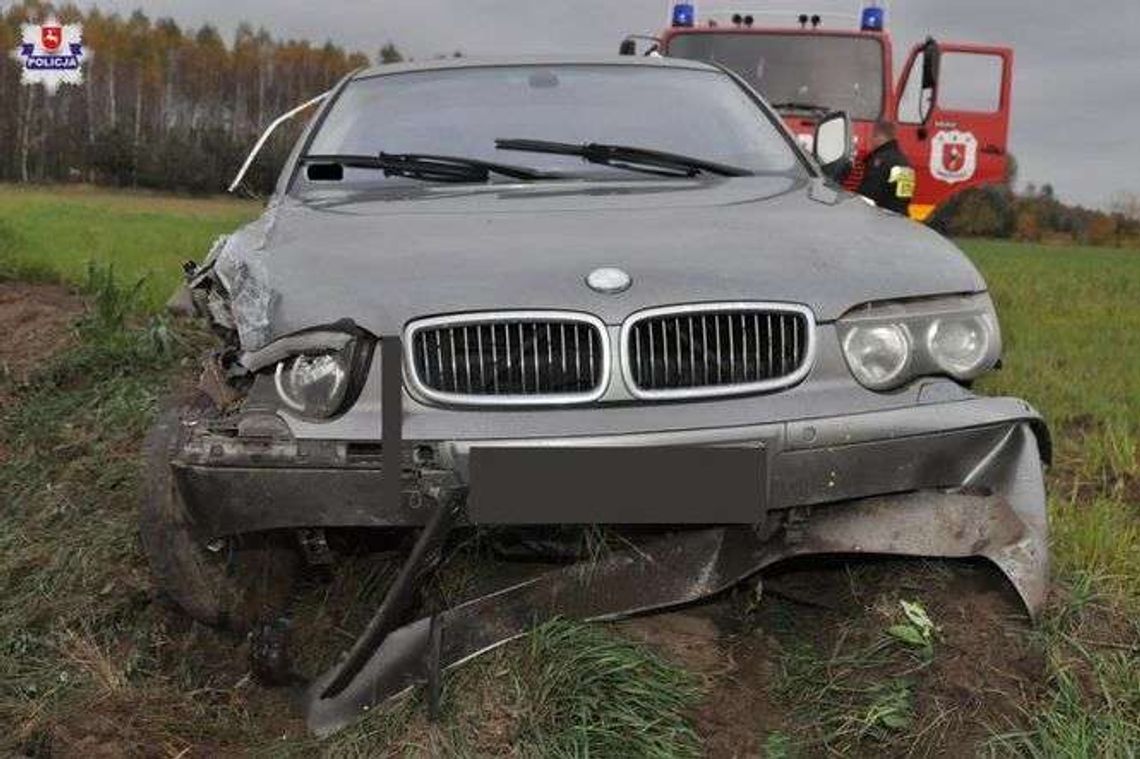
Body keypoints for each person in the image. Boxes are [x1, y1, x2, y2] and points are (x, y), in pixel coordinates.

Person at [857, 121, 915, 215]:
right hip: (900, 215)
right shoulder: (905, 162)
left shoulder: (880, 160)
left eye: (873, 137)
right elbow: (905, 196)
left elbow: (869, 193)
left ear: (879, 136)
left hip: (880, 216)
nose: (871, 141)